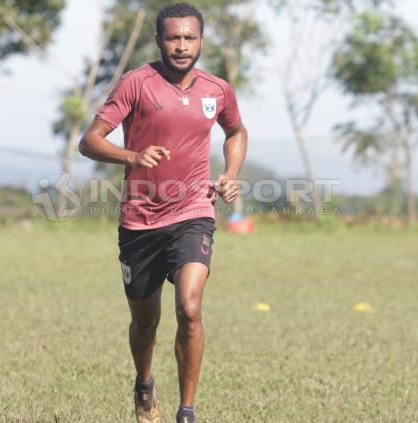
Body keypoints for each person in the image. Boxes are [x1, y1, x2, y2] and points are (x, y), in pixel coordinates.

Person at [79, 4, 248, 422]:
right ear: (158, 41)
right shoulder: (136, 84)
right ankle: (144, 383)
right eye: (173, 37)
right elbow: (89, 141)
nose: (181, 46)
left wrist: (230, 173)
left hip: (194, 211)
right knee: (145, 321)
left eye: (190, 38)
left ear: (201, 41)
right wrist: (132, 155)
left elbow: (236, 131)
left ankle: (186, 411)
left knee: (189, 308)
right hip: (139, 220)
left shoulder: (217, 90)